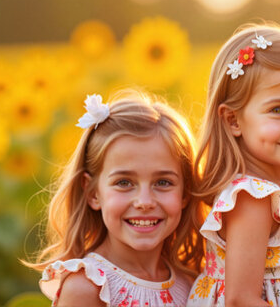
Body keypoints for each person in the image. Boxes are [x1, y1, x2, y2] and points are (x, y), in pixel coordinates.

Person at [187, 25, 280, 307]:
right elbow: (240, 300)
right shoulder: (253, 198)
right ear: (233, 120)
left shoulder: (273, 191)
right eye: (278, 110)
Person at [27, 91, 206, 306]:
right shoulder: (87, 287)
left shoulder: (191, 282)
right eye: (124, 183)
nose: (144, 201)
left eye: (163, 182)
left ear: (185, 193)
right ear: (93, 193)